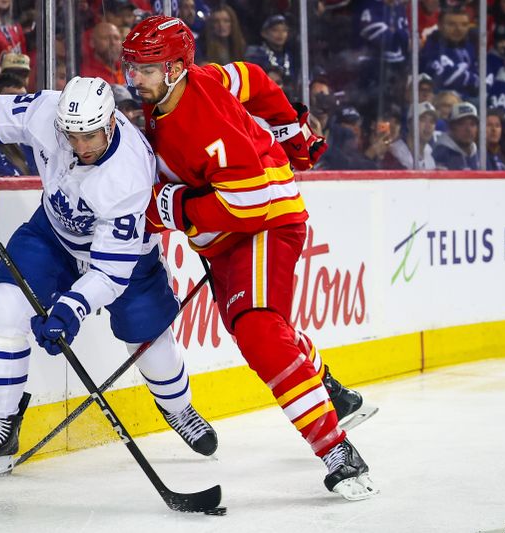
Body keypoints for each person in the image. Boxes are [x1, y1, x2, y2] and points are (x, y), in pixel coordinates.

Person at [122, 16, 378, 501]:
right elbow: (254, 78)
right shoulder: (196, 80)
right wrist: (290, 131)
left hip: (264, 223)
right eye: (132, 66)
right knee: (262, 326)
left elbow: (248, 203)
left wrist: (167, 207)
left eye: (147, 68)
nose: (136, 78)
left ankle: (336, 451)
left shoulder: (202, 119)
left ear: (176, 67)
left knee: (258, 329)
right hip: (227, 236)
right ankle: (331, 392)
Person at [0, 76, 218, 478]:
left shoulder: (128, 175)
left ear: (110, 123)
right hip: (52, 233)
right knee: (4, 309)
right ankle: (1, 424)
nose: (80, 147)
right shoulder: (45, 112)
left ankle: (179, 409)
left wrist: (71, 308)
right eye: (71, 136)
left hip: (125, 257)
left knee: (149, 343)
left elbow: (108, 272)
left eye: (90, 136)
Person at [433, 101, 480, 170]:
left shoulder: (478, 153)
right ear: (451, 127)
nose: (468, 129)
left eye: (472, 124)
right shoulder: (441, 154)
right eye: (462, 124)